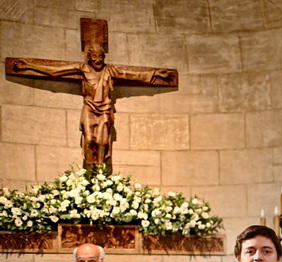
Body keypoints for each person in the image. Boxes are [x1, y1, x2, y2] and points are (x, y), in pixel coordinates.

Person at [10, 47, 175, 172]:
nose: (98, 59)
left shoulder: (110, 70)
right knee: (89, 140)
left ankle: (101, 175)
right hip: (89, 107)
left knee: (103, 141)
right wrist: (29, 66)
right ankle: (90, 173)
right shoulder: (82, 69)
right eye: (94, 56)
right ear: (89, 58)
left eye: (101, 56)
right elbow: (55, 71)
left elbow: (132, 74)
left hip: (105, 109)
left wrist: (156, 73)